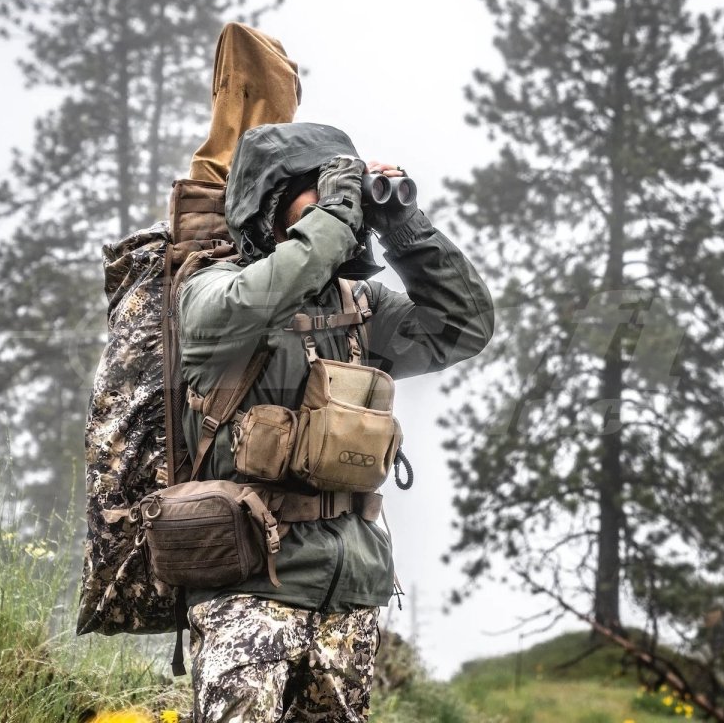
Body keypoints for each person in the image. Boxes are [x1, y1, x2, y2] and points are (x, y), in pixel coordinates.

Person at [177, 121, 494, 722]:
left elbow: (463, 326)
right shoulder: (211, 293)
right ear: (270, 205)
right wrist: (337, 212)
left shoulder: (360, 309)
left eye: (342, 191)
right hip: (249, 588)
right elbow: (263, 295)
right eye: (318, 189)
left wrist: (403, 226)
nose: (338, 205)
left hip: (350, 589)